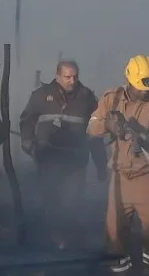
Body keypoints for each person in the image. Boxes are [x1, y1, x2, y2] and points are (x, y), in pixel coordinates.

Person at [89, 54, 149, 272]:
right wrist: (109, 125)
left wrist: (140, 138)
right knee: (114, 233)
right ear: (129, 81)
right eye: (139, 87)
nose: (144, 92)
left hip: (148, 177)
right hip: (120, 179)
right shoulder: (111, 99)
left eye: (148, 86)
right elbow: (92, 128)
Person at [19, 60, 99, 249]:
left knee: (73, 200)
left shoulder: (87, 97)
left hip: (76, 160)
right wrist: (28, 144)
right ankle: (54, 237)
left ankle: (70, 237)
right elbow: (27, 120)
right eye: (67, 77)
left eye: (75, 77)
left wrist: (101, 164)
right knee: (51, 198)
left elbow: (96, 130)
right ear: (57, 77)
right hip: (49, 159)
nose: (72, 81)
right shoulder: (41, 96)